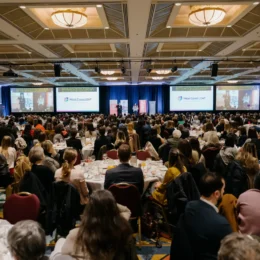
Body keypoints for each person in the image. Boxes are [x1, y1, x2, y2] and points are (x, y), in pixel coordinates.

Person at [50, 190, 137, 260]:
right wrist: (107, 203)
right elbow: (126, 210)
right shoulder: (124, 233)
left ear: (88, 211)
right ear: (114, 209)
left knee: (60, 242)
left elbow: (65, 255)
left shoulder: (75, 235)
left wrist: (98, 203)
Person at [170, 173, 232, 260]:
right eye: (223, 189)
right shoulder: (221, 224)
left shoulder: (188, 207)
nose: (224, 191)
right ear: (217, 194)